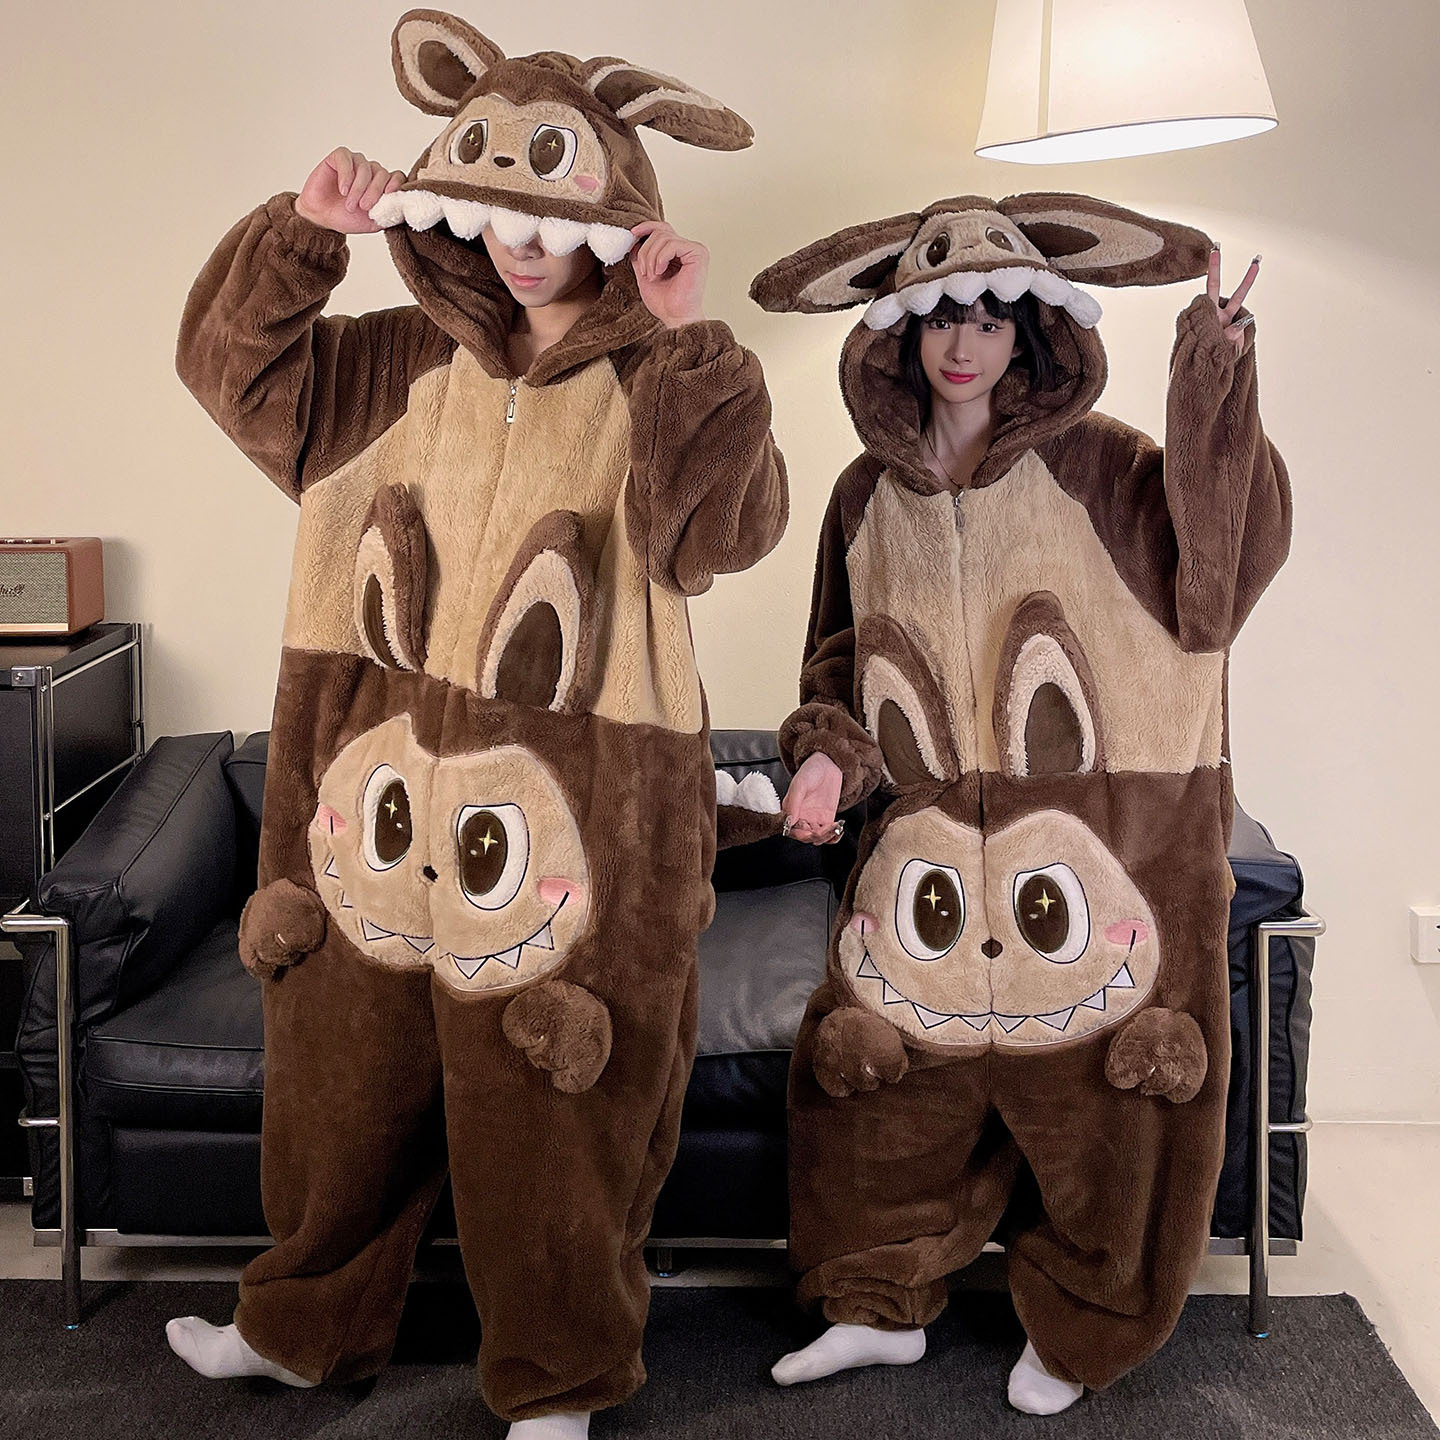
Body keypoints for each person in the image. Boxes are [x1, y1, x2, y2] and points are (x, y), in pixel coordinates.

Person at [164, 13, 786, 1439]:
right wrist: (302, 238)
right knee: (338, 1092)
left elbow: (728, 532)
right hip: (369, 790)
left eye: (548, 214)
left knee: (557, 1102)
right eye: (492, 206)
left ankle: (559, 1382)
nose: (518, 243)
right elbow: (230, 375)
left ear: (611, 213)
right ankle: (301, 1332)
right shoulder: (388, 366)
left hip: (584, 801)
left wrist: (690, 339)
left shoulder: (651, 382)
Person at [751, 193, 1288, 1414]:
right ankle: (873, 1306)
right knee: (873, 1087)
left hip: (1098, 846)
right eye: (944, 318)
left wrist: (1213, 380)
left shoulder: (1105, 465)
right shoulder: (861, 494)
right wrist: (827, 758)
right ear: (898, 331)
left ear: (1034, 333)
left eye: (994, 320)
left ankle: (1083, 1331)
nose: (966, 344)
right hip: (928, 855)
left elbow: (1221, 575)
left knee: (1115, 1102)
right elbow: (835, 662)